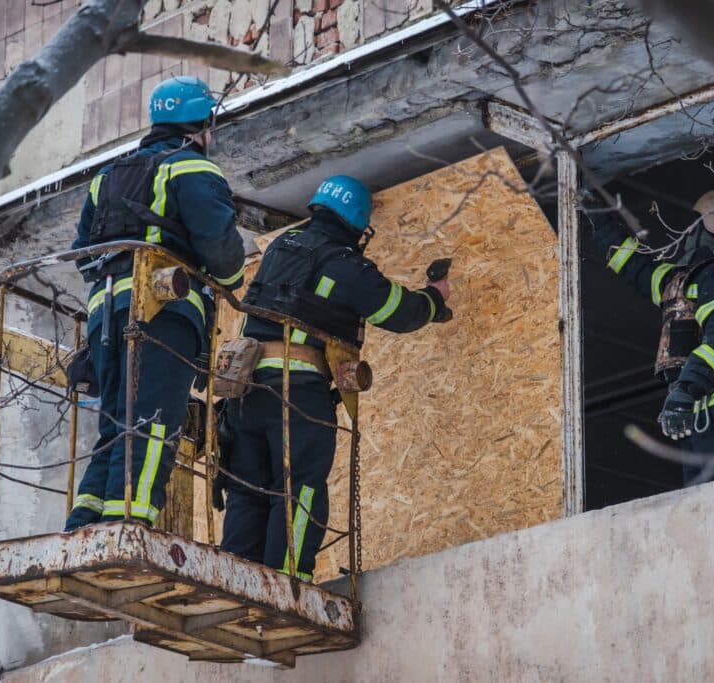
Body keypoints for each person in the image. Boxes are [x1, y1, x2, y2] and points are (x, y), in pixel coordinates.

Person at [219, 175, 451, 581]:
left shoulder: (279, 249)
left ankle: (237, 582)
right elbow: (400, 312)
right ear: (357, 223)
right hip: (298, 396)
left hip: (245, 393)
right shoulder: (346, 266)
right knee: (300, 490)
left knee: (248, 491)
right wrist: (435, 297)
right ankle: (287, 584)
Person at [64, 76, 245, 530]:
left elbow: (83, 251)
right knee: (154, 418)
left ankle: (87, 515)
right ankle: (130, 519)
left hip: (104, 312)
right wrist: (232, 279)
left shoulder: (106, 177)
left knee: (115, 420)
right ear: (202, 123)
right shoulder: (193, 169)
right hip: (163, 313)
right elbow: (221, 251)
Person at [586, 190, 714, 483]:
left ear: (710, 227)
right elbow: (636, 267)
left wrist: (686, 389)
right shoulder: (688, 279)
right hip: (707, 413)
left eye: (695, 224)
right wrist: (598, 219)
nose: (688, 233)